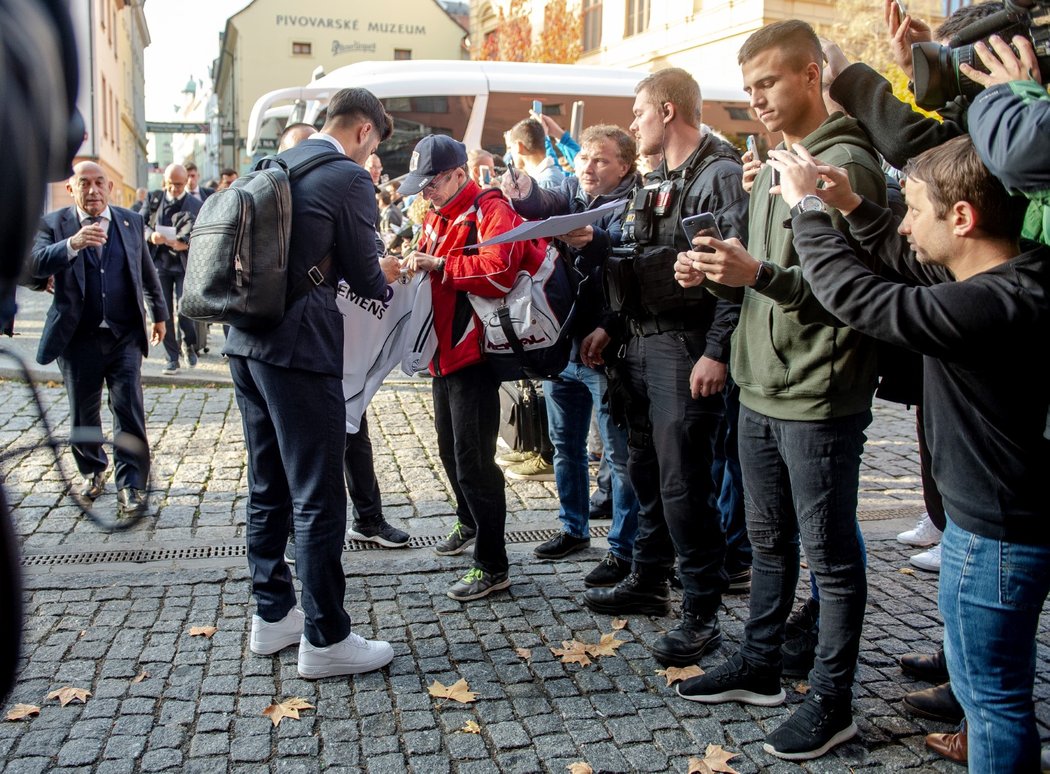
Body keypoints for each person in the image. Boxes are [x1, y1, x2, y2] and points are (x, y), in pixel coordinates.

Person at [771, 131, 1049, 774]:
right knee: (987, 686)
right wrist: (849, 207)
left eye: (915, 208)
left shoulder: (990, 305)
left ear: (963, 217)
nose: (905, 222)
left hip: (997, 537)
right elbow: (908, 263)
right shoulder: (1010, 271)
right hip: (983, 526)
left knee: (995, 700)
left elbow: (866, 298)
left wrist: (807, 210)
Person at [672, 20, 888, 761]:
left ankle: (834, 703)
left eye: (767, 82)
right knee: (767, 542)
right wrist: (718, 270)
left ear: (810, 74)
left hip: (818, 392)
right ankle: (761, 665)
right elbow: (762, 267)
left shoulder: (845, 161)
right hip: (763, 383)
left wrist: (757, 274)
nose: (755, 99)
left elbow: (851, 293)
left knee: (829, 555)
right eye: (749, 86)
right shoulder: (780, 160)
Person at [227, 87, 401, 679]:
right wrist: (388, 275)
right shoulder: (348, 179)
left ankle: (273, 614)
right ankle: (327, 638)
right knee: (319, 494)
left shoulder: (274, 165)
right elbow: (366, 277)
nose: (370, 156)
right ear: (363, 132)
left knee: (267, 482)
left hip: (245, 343)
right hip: (301, 350)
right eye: (373, 145)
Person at [579, 67, 749, 669]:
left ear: (669, 110)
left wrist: (717, 350)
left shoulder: (718, 175)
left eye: (639, 113)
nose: (634, 123)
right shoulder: (661, 178)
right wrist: (611, 326)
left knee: (685, 485)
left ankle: (701, 612)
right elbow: (637, 257)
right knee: (646, 474)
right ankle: (650, 577)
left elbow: (736, 275)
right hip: (641, 345)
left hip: (685, 348)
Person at [400, 134, 541, 601]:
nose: (426, 192)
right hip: (444, 355)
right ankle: (468, 520)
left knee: (474, 461)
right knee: (448, 450)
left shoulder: (490, 206)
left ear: (460, 172)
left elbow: (500, 269)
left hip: (475, 356)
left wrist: (438, 263)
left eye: (432, 183)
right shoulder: (438, 215)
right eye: (423, 185)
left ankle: (492, 564)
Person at [502, 124, 642, 588]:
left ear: (624, 165)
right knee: (565, 447)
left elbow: (635, 279)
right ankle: (572, 528)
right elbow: (542, 202)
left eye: (600, 159)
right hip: (561, 348)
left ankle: (623, 550)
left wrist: (608, 326)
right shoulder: (569, 192)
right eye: (584, 157)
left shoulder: (633, 205)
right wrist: (523, 194)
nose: (588, 166)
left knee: (619, 459)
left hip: (607, 352)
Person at [29, 162, 167, 515]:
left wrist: (161, 315)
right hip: (78, 338)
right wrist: (71, 244)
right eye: (84, 184)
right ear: (72, 189)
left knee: (129, 410)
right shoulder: (54, 224)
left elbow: (146, 274)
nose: (93, 190)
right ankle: (92, 469)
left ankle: (132, 484)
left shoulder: (130, 221)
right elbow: (32, 265)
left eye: (99, 183)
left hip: (124, 336)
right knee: (83, 414)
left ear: (110, 188)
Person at [142, 163, 201, 373]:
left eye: (179, 184)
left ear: (186, 182)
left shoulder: (194, 203)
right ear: (164, 182)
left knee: (185, 309)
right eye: (170, 184)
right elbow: (140, 223)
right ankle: (171, 357)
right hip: (159, 264)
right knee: (162, 309)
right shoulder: (154, 199)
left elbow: (202, 232)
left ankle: (189, 344)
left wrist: (186, 243)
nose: (174, 188)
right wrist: (151, 236)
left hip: (184, 264)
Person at [506, 118, 566, 189]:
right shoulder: (547, 177)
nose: (511, 153)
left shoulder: (545, 182)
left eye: (511, 147)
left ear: (518, 146)